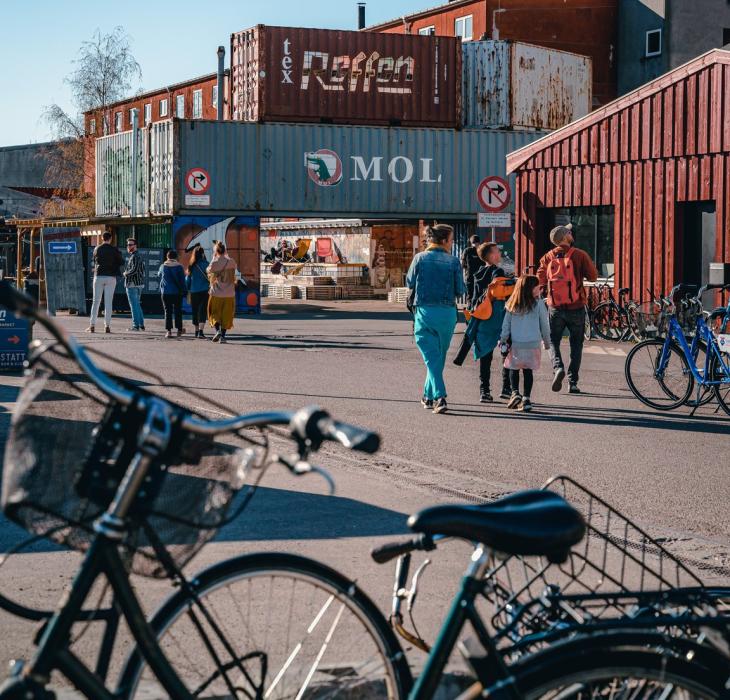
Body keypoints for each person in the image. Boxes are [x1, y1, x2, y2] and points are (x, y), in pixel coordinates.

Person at [405, 223, 465, 414]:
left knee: (431, 358)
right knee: (437, 358)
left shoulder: (419, 258)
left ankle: (440, 397)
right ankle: (427, 396)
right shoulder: (454, 261)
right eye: (452, 239)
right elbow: (460, 290)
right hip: (447, 314)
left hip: (424, 312)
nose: (452, 242)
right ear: (445, 240)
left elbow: (409, 282)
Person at [537, 224, 598, 394]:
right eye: (569, 232)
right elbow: (593, 277)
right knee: (576, 345)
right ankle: (573, 382)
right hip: (576, 306)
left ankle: (557, 368)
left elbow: (540, 280)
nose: (571, 234)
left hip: (555, 307)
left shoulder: (547, 257)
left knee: (553, 341)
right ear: (565, 238)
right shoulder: (579, 255)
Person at [500, 275, 551, 413]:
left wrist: (503, 339)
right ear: (531, 289)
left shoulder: (512, 303)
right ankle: (526, 399)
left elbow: (506, 325)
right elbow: (545, 325)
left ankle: (515, 392)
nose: (540, 289)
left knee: (513, 368)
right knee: (528, 371)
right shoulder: (539, 304)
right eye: (537, 287)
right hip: (533, 345)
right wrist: (547, 342)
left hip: (517, 344)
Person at [470, 243, 512, 402]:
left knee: (485, 355)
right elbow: (502, 291)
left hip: (482, 317)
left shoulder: (478, 273)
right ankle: (506, 387)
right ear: (491, 255)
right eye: (497, 251)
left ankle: (484, 391)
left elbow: (473, 298)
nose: (500, 253)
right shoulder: (498, 271)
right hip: (498, 315)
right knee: (506, 350)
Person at [86, 231, 123, 333]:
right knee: (108, 302)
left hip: (99, 275)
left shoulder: (97, 248)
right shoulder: (114, 249)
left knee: (96, 301)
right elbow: (121, 261)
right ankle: (107, 326)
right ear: (110, 239)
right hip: (111, 277)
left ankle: (92, 325)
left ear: (102, 238)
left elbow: (94, 260)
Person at [207, 241, 237, 344]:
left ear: (216, 251)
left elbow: (208, 270)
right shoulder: (232, 261)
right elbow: (234, 270)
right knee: (226, 315)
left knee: (214, 313)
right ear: (225, 250)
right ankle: (223, 337)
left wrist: (213, 258)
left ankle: (217, 331)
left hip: (216, 293)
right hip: (229, 294)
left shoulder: (214, 263)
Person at [158, 250, 187, 338]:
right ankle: (179, 330)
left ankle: (169, 331)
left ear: (167, 257)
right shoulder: (179, 267)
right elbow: (182, 281)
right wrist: (185, 291)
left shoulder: (163, 266)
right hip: (177, 293)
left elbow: (159, 275)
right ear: (176, 258)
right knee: (178, 311)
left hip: (166, 292)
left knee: (168, 311)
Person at [186, 246, 210, 339]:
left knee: (195, 311)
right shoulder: (207, 264)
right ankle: (201, 331)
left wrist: (188, 288)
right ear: (203, 254)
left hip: (194, 291)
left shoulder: (191, 266)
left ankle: (196, 331)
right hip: (204, 291)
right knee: (202, 311)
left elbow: (187, 280)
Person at [122, 238, 145, 331]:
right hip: (138, 284)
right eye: (128, 245)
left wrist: (125, 274)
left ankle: (136, 326)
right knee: (137, 305)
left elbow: (134, 270)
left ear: (135, 246)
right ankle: (141, 325)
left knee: (134, 305)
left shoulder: (135, 256)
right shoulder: (138, 256)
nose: (128, 246)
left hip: (132, 284)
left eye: (130, 245)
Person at [460, 234, 484, 308]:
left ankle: (470, 313)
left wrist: (465, 270)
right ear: (479, 242)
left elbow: (462, 264)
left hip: (470, 277)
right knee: (479, 296)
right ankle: (476, 312)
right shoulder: (481, 251)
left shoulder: (467, 250)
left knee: (470, 296)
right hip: (480, 278)